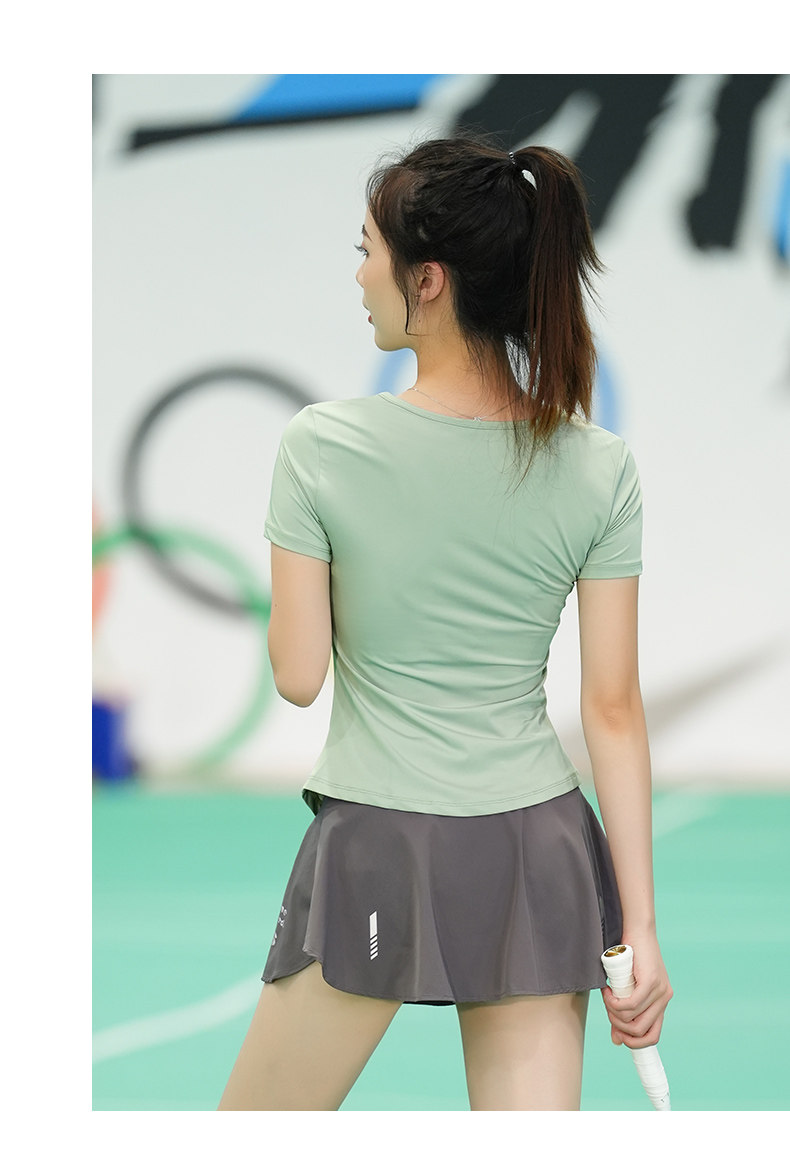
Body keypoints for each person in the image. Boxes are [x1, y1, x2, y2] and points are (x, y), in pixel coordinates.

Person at [218, 136, 672, 1112]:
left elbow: (297, 675)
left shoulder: (321, 447)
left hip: (379, 843)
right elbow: (613, 709)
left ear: (426, 280)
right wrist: (638, 930)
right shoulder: (600, 465)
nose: (359, 275)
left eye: (368, 251)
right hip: (540, 854)